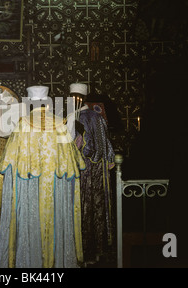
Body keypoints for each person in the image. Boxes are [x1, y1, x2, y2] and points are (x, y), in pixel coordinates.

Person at [0, 85, 86, 268]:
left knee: (31, 224)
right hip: (55, 187)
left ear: (29, 103)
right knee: (54, 222)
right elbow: (73, 160)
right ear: (48, 102)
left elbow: (8, 161)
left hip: (30, 187)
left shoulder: (23, 123)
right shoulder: (60, 123)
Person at [67, 83, 116, 265]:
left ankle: (82, 253)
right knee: (96, 209)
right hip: (99, 174)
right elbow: (108, 148)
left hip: (82, 173)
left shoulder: (75, 117)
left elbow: (76, 147)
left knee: (83, 211)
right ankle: (98, 251)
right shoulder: (99, 116)